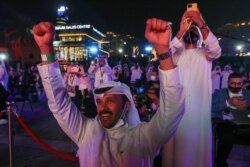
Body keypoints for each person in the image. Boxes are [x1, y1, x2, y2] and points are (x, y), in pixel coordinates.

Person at [32, 19, 184, 166]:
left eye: (110, 101)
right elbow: (60, 105)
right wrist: (46, 49)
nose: (102, 107)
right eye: (99, 101)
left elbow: (173, 110)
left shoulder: (143, 137)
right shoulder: (86, 132)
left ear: (126, 106)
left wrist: (164, 51)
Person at [162, 8, 221, 167]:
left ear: (200, 35)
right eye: (189, 29)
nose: (190, 32)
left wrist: (200, 23)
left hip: (197, 111)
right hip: (177, 110)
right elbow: (164, 52)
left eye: (193, 30)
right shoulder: (175, 54)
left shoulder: (205, 54)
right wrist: (181, 30)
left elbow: (215, 49)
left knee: (195, 147)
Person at [212, 72, 250, 167]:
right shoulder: (219, 93)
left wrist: (248, 106)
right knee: (226, 136)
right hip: (225, 122)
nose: (236, 86)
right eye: (233, 83)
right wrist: (227, 102)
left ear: (242, 83)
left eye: (239, 83)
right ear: (228, 82)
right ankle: (221, 162)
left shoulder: (247, 93)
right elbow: (210, 108)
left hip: (244, 121)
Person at [0, 60, 9, 124]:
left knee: (1, 104)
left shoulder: (1, 68)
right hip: (1, 88)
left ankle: (3, 117)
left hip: (2, 89)